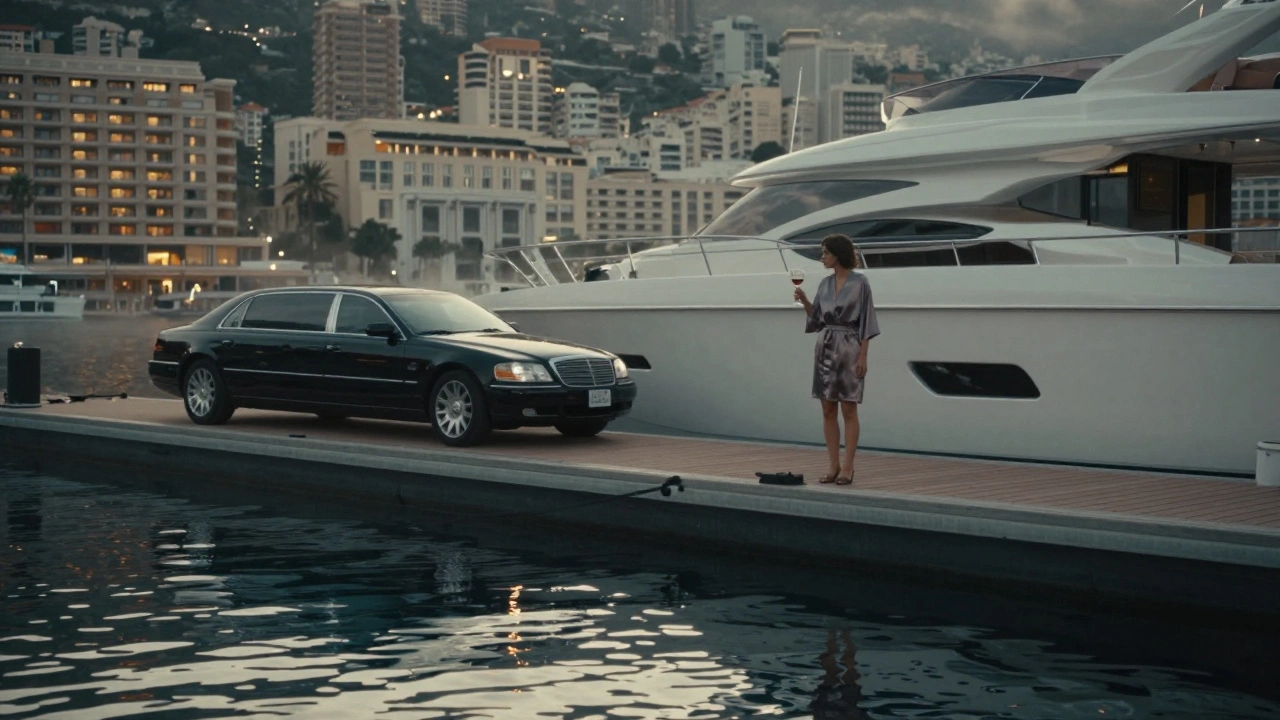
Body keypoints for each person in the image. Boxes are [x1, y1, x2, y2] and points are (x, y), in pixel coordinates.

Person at [794, 235, 880, 486]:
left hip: (851, 347)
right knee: (828, 409)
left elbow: (867, 320)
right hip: (826, 345)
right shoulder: (824, 284)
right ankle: (833, 466)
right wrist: (806, 302)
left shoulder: (860, 283)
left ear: (838, 254)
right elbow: (818, 320)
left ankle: (848, 468)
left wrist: (863, 355)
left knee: (849, 408)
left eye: (825, 253)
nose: (822, 257)